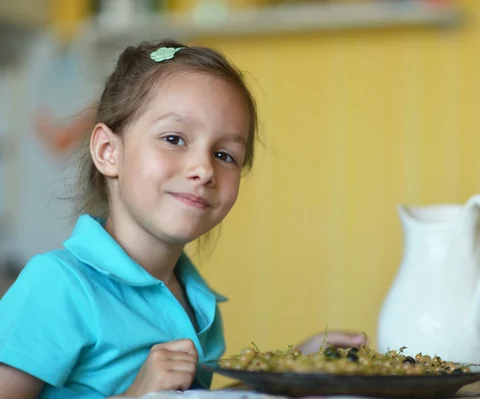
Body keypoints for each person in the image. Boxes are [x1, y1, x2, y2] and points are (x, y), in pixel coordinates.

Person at [0, 40, 366, 399]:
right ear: (108, 152)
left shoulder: (197, 301)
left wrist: (288, 371)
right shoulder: (57, 285)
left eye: (225, 155)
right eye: (174, 138)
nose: (204, 169)